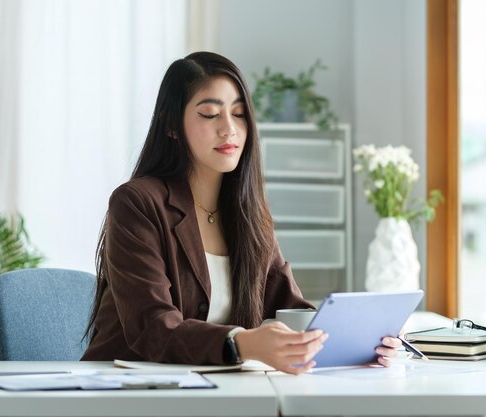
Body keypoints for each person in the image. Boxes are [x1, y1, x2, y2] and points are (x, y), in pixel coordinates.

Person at [81, 51, 402, 374]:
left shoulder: (250, 213)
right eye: (210, 114)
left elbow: (290, 310)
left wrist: (361, 343)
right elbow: (153, 327)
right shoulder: (137, 204)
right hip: (126, 389)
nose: (229, 129)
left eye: (239, 114)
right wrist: (242, 343)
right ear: (171, 126)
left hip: (220, 390)